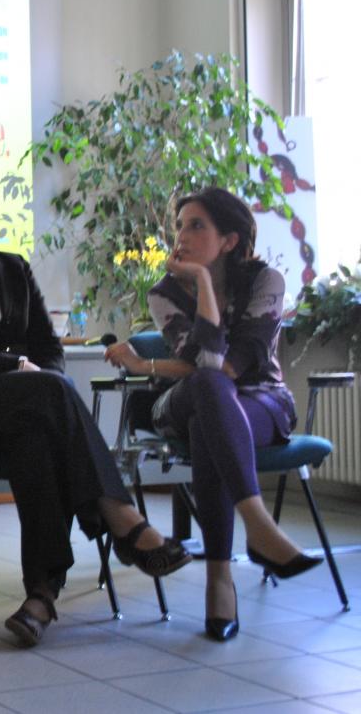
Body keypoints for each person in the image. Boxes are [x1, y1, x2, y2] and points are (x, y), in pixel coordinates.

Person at [0, 168, 190, 648]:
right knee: (49, 394)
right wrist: (14, 367)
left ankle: (41, 596)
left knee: (36, 440)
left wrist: (37, 375)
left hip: (24, 414)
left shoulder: (14, 268)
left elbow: (49, 349)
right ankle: (118, 516)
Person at [104, 187, 320, 642]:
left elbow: (233, 366)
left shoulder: (266, 282)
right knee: (206, 389)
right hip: (181, 399)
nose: (181, 236)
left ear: (230, 240)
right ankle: (259, 526)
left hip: (261, 401)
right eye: (180, 226)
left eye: (196, 225)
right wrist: (202, 282)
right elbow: (206, 365)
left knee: (210, 420)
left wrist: (147, 364)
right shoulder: (164, 293)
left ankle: (218, 583)